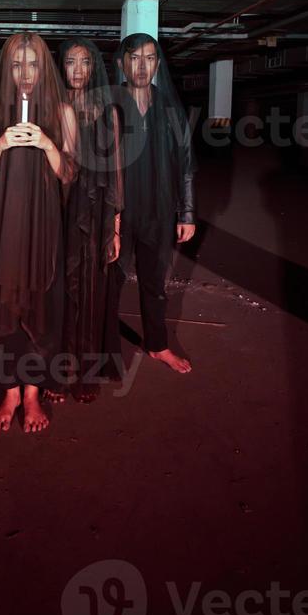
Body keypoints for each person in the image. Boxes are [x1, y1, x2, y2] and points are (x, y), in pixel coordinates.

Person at [0, 33, 78, 432]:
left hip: (43, 224)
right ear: (6, 69)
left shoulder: (62, 111)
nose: (25, 73)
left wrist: (47, 144)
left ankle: (32, 391)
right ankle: (8, 389)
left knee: (40, 301)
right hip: (2, 223)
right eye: (16, 64)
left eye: (32, 63)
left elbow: (70, 173)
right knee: (1, 301)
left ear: (43, 66)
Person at [112, 33, 196, 374]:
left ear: (158, 64)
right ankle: (98, 348)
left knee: (155, 285)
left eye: (149, 58)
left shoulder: (172, 110)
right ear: (121, 64)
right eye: (134, 57)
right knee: (108, 283)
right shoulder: (110, 106)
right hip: (118, 213)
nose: (142, 65)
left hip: (159, 213)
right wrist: (106, 216)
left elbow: (186, 163)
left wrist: (186, 212)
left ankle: (157, 344)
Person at [49, 37, 124, 403]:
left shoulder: (106, 110)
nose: (77, 70)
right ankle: (57, 368)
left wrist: (115, 228)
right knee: (57, 287)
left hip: (93, 212)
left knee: (91, 289)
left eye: (84, 62)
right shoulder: (51, 105)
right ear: (61, 66)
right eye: (70, 62)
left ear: (93, 66)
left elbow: (115, 172)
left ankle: (87, 369)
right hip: (54, 207)